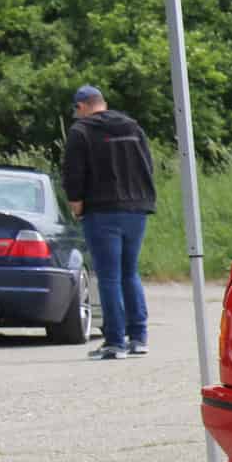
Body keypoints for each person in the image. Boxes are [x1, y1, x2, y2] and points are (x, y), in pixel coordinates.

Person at [61, 85, 155, 360]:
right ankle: (138, 337)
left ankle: (114, 341)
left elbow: (74, 173)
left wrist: (76, 204)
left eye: (77, 111)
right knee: (130, 272)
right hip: (136, 209)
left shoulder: (81, 131)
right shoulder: (132, 126)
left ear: (82, 106)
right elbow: (147, 165)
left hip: (102, 211)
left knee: (109, 277)